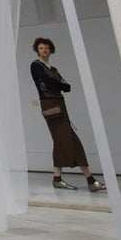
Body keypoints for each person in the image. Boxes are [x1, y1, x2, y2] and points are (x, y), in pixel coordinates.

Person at [29, 38, 106, 192]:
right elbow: (51, 83)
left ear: (51, 50)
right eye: (41, 48)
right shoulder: (36, 66)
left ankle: (57, 178)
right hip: (50, 105)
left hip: (59, 104)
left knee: (60, 142)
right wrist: (59, 84)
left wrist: (59, 84)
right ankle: (90, 180)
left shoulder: (54, 69)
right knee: (71, 140)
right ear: (37, 50)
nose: (44, 50)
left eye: (47, 48)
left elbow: (67, 87)